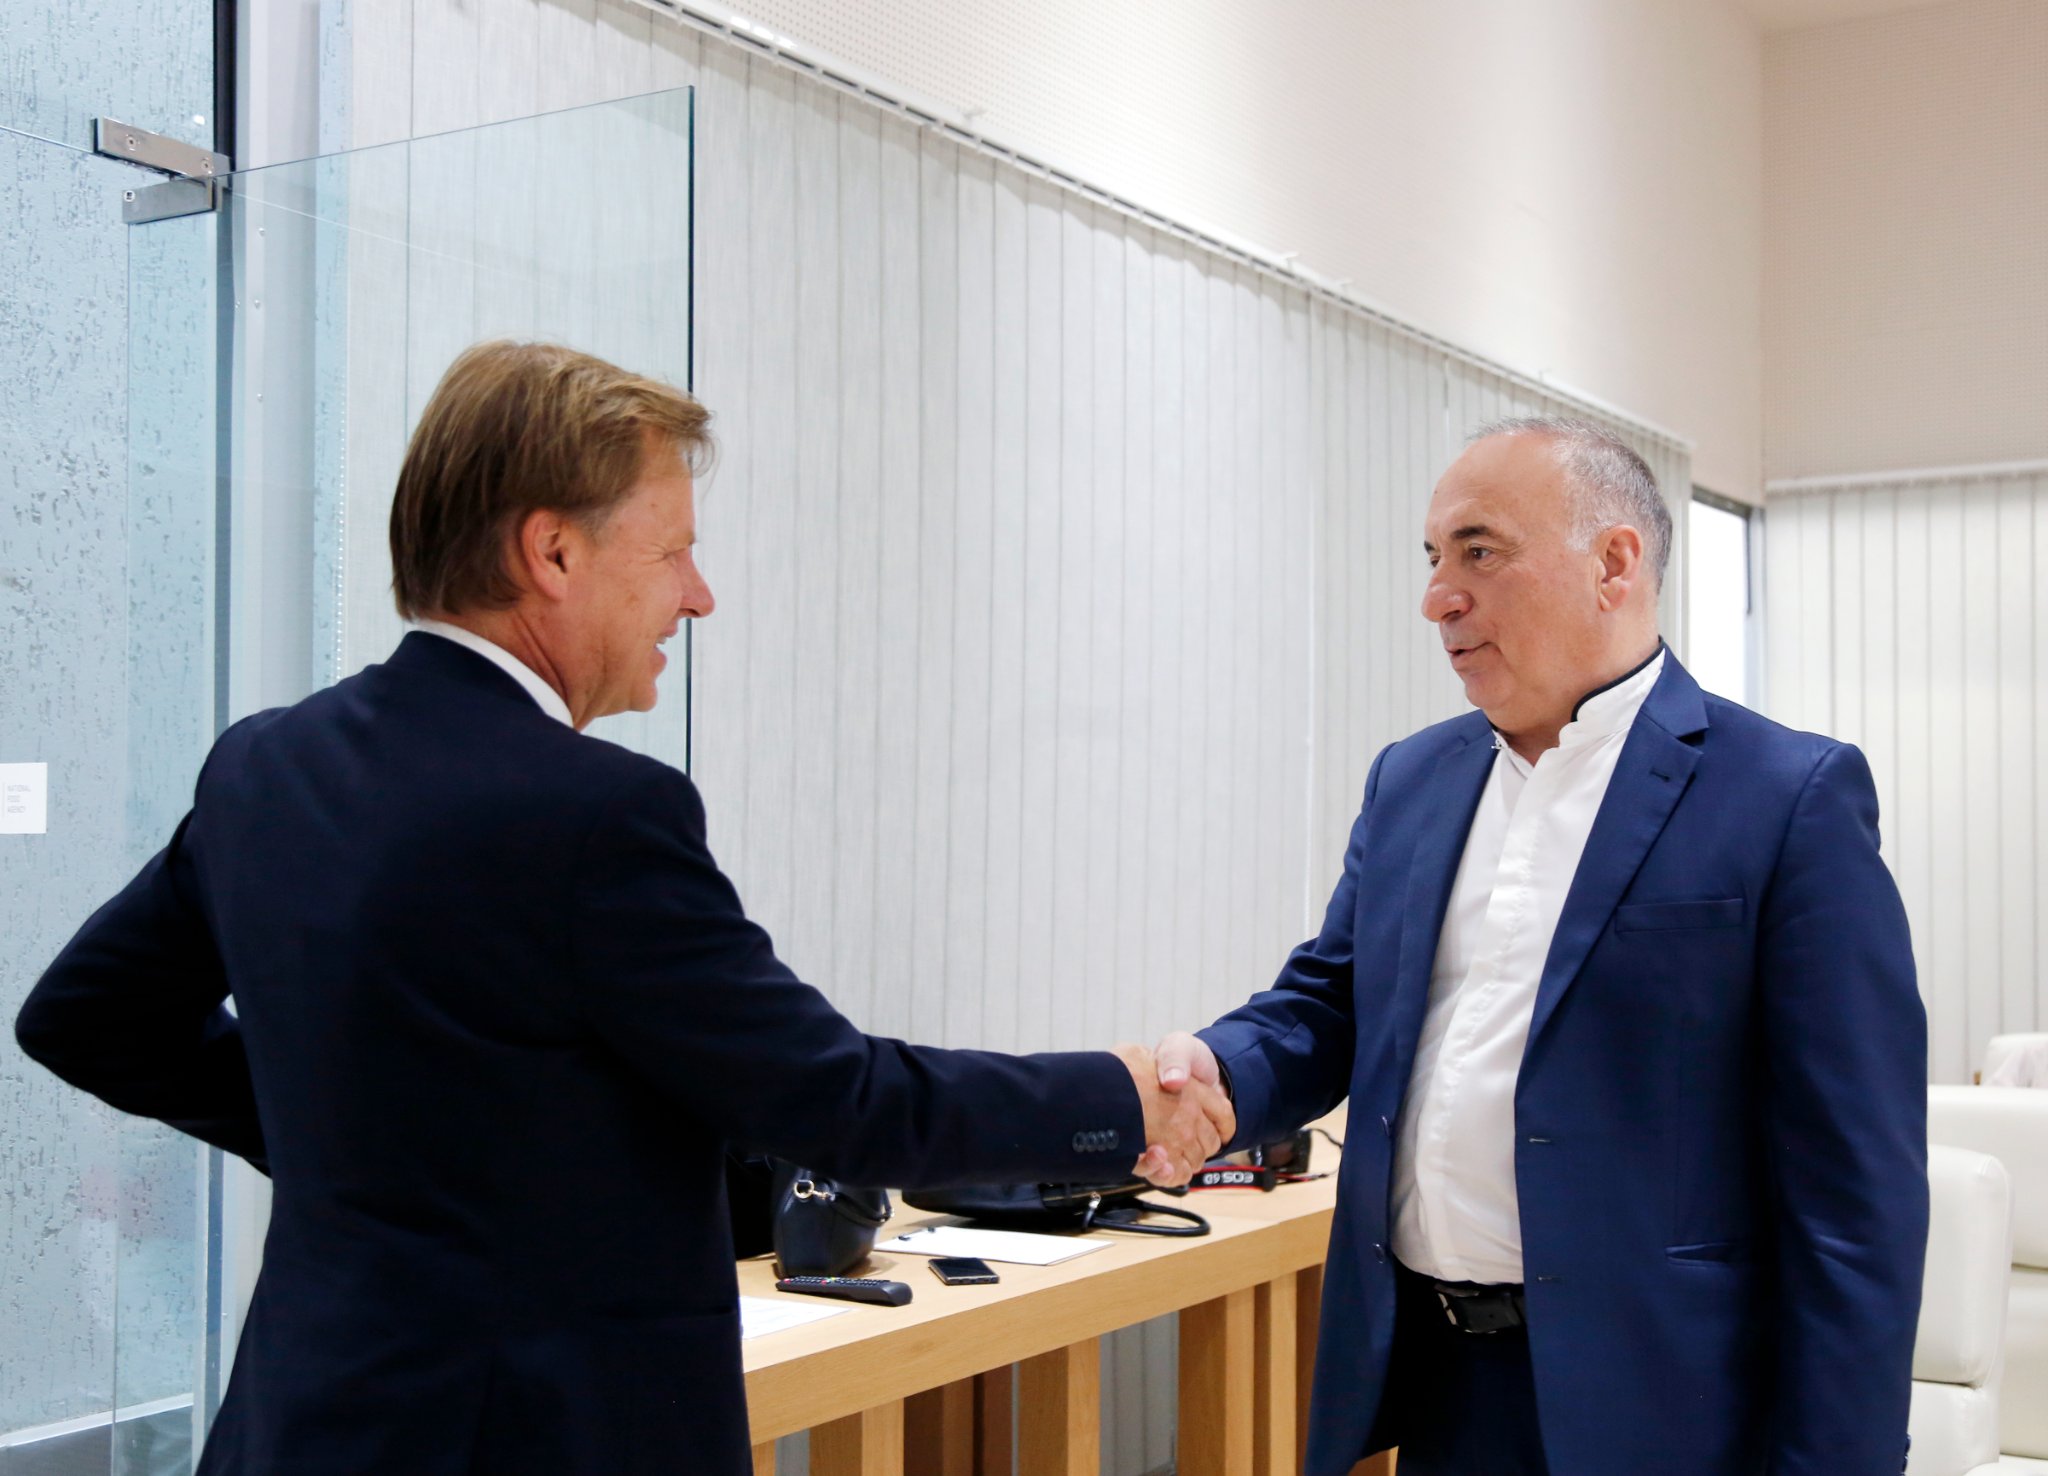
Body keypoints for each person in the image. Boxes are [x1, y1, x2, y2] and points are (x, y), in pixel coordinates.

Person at [14, 340, 1232, 1476]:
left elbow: (83, 1017)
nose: (697, 597)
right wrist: (1118, 1094)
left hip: (300, 1425)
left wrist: (345, 1140)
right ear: (551, 554)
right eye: (672, 553)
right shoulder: (595, 815)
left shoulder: (266, 767)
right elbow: (835, 1101)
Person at [1152, 418, 1926, 1476]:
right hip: (1441, 1388)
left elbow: (1856, 1199)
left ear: (1613, 564)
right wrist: (1220, 1073)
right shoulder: (1412, 779)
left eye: (1479, 551)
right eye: (1433, 558)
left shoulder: (1785, 798)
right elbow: (1331, 1002)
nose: (1438, 597)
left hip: (1670, 1408)